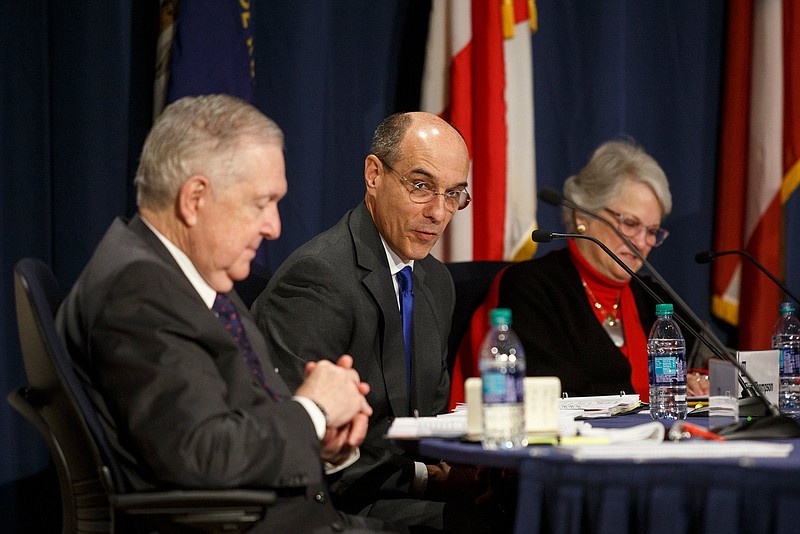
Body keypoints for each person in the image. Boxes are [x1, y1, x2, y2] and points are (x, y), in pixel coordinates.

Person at [56, 94, 399, 533]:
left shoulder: (190, 276)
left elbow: (237, 420)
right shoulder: (139, 291)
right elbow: (202, 453)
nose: (274, 226)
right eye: (261, 203)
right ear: (195, 198)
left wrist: (320, 439)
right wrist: (314, 409)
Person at [252, 112, 495, 532]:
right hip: (336, 505)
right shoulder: (319, 278)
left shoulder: (435, 281)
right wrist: (426, 478)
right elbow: (306, 443)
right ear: (374, 174)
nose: (439, 212)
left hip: (400, 494)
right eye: (421, 186)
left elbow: (429, 419)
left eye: (454, 194)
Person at [496, 139, 710, 401]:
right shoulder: (532, 288)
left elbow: (705, 357)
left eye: (652, 231)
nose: (642, 243)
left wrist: (698, 380)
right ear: (583, 216)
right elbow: (551, 392)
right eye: (630, 224)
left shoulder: (652, 294)